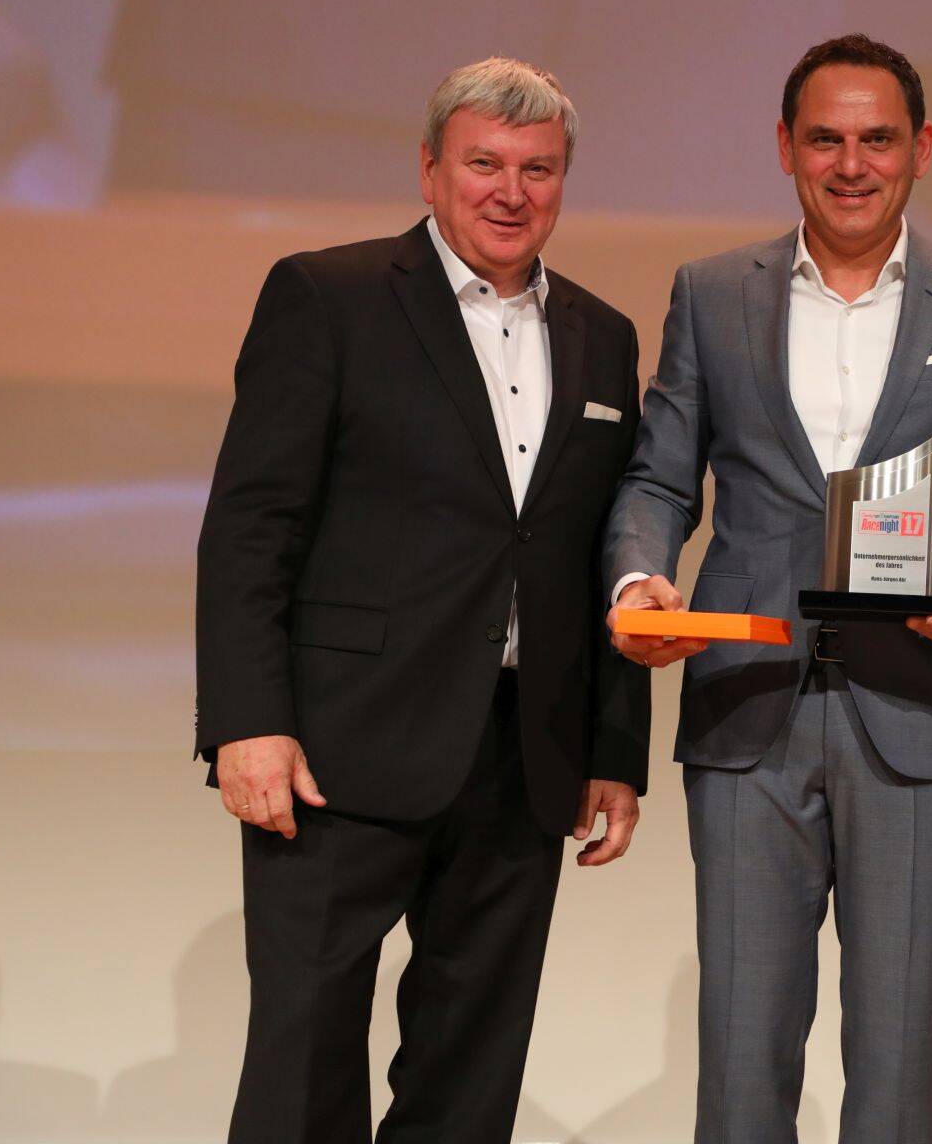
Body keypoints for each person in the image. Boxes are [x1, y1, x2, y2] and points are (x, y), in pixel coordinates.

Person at [606, 33, 932, 1142]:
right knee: (740, 1055)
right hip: (745, 704)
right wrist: (639, 576)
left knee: (899, 1063)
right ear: (784, 147)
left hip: (919, 708)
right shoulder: (712, 293)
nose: (851, 164)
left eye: (877, 139)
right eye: (825, 139)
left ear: (922, 149)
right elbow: (659, 477)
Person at [194, 57, 649, 1144]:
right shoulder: (329, 296)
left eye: (538, 169)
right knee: (304, 1066)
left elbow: (597, 550)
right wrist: (246, 722)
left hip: (522, 759)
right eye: (484, 163)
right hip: (335, 753)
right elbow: (253, 523)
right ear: (430, 169)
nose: (511, 192)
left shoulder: (605, 334)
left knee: (469, 1077)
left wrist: (612, 746)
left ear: (564, 179)